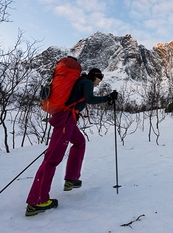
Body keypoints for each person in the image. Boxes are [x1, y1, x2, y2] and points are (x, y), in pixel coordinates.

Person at [25, 67, 118, 216]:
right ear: (96, 76)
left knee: (80, 142)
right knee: (51, 160)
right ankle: (37, 201)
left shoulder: (81, 82)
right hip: (66, 120)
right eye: (99, 81)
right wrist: (108, 97)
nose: (98, 84)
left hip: (68, 120)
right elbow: (89, 99)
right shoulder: (87, 82)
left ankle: (71, 179)